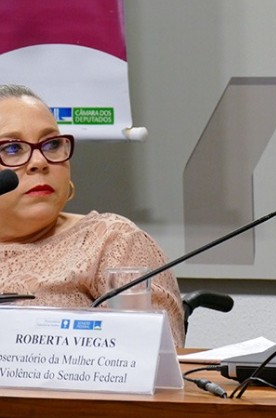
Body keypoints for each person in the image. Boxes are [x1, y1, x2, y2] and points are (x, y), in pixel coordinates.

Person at [0, 84, 185, 347]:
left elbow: (150, 360)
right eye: (12, 149)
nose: (39, 161)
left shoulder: (112, 242)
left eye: (51, 144)